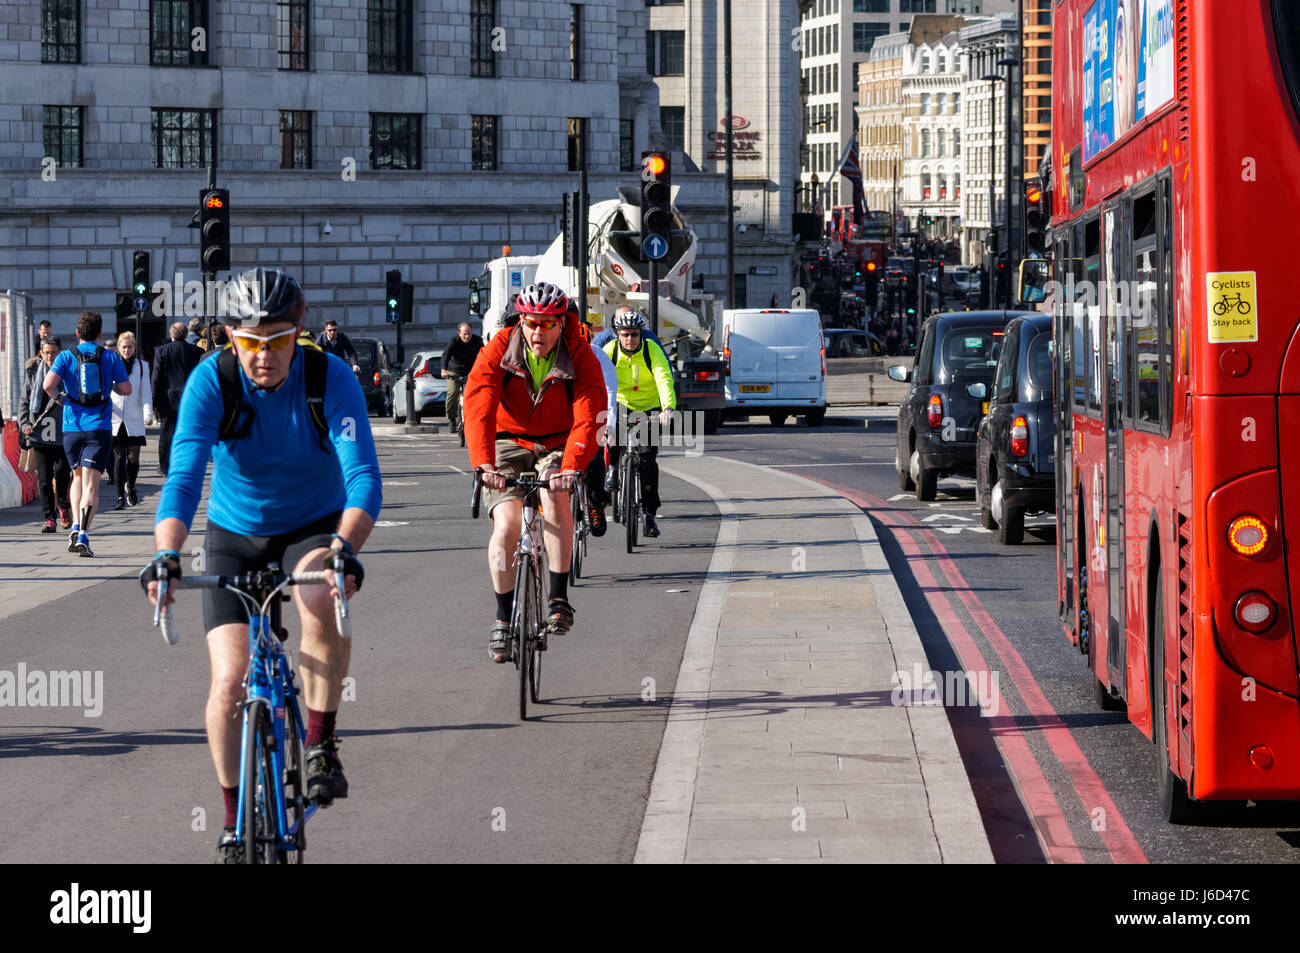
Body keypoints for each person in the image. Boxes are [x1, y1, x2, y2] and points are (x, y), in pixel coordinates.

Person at [141, 267, 381, 862]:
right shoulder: (211, 380)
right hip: (234, 531)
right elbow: (183, 479)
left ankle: (321, 742)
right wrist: (166, 555)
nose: (264, 355)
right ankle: (230, 818)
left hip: (313, 523)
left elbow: (363, 480)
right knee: (228, 680)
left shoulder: (331, 377)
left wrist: (344, 549)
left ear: (299, 332)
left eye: (278, 340)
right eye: (249, 341)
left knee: (320, 599)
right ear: (229, 337)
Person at [462, 281, 606, 662]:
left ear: (561, 323)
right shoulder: (499, 347)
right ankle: (502, 619)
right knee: (507, 526)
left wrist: (572, 466)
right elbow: (478, 404)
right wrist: (484, 463)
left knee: (555, 497)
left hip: (559, 440)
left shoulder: (579, 351)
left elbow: (590, 412)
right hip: (508, 440)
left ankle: (558, 597)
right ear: (519, 321)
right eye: (530, 323)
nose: (537, 332)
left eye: (546, 324)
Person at [43, 311, 131, 557]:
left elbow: (48, 385)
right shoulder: (110, 357)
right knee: (92, 485)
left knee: (77, 478)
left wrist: (62, 398)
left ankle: (74, 527)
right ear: (100, 334)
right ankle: (83, 533)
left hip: (72, 427)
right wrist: (108, 385)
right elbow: (126, 389)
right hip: (99, 427)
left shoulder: (65, 356)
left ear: (77, 333)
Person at [602, 309, 676, 539]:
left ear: (641, 334)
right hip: (620, 404)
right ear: (617, 334)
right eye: (625, 334)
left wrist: (668, 408)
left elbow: (663, 376)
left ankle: (650, 514)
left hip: (649, 407)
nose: (630, 339)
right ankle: (613, 468)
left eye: (634, 334)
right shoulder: (610, 351)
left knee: (647, 460)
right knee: (612, 436)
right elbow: (600, 381)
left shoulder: (651, 349)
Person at [20, 336, 70, 533]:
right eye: (46, 352)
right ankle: (49, 517)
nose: (49, 356)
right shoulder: (33, 372)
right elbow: (24, 400)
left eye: (53, 352)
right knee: (44, 478)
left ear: (60, 352)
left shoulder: (67, 372)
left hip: (62, 431)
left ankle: (64, 507)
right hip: (39, 432)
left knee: (62, 473)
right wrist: (24, 422)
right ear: (41, 352)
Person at [574, 307, 617, 537]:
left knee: (595, 457)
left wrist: (609, 425)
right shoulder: (558, 354)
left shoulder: (599, 356)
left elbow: (611, 392)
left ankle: (596, 505)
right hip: (566, 416)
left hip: (593, 415)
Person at [151, 321, 204, 476]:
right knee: (188, 432)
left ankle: (164, 466)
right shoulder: (197, 351)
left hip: (167, 399)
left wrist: (154, 401)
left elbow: (156, 377)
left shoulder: (162, 351)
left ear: (171, 334)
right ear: (186, 334)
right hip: (189, 398)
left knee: (166, 433)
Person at [109, 331, 155, 510]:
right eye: (123, 347)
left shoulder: (142, 366)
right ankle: (120, 496)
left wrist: (148, 414)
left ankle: (132, 485)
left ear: (134, 347)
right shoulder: (112, 365)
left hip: (135, 418)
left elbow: (145, 392)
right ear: (119, 348)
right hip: (116, 417)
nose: (127, 350)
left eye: (130, 347)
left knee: (133, 458)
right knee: (119, 458)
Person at [440, 322, 484, 434]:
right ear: (459, 333)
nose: (467, 337)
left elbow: (485, 354)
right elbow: (446, 355)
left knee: (475, 395)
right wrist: (443, 370)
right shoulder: (454, 341)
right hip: (453, 372)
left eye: (469, 334)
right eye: (464, 334)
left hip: (470, 372)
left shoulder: (477, 341)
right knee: (452, 393)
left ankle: (473, 419)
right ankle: (452, 419)